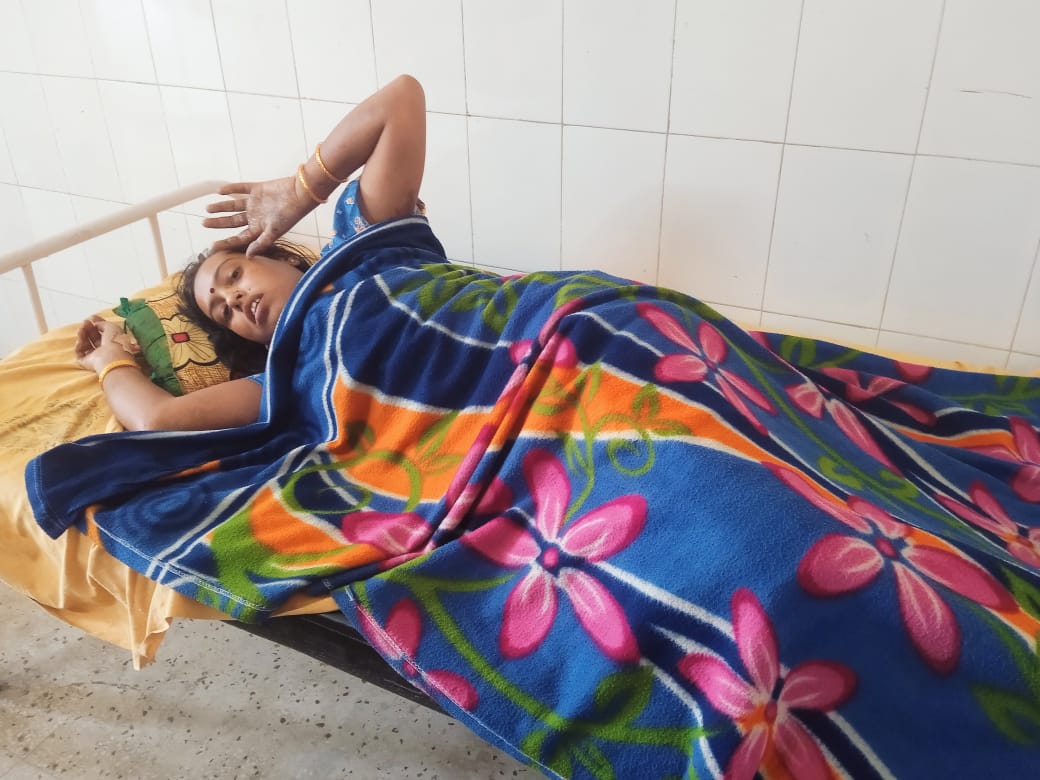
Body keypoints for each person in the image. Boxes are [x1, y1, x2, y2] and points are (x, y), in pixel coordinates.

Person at [73, 74, 428, 431]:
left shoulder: (358, 248)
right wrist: (109, 357)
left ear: (286, 257)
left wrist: (302, 191)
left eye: (234, 275)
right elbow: (156, 418)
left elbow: (400, 100)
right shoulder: (285, 376)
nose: (234, 299)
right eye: (225, 312)